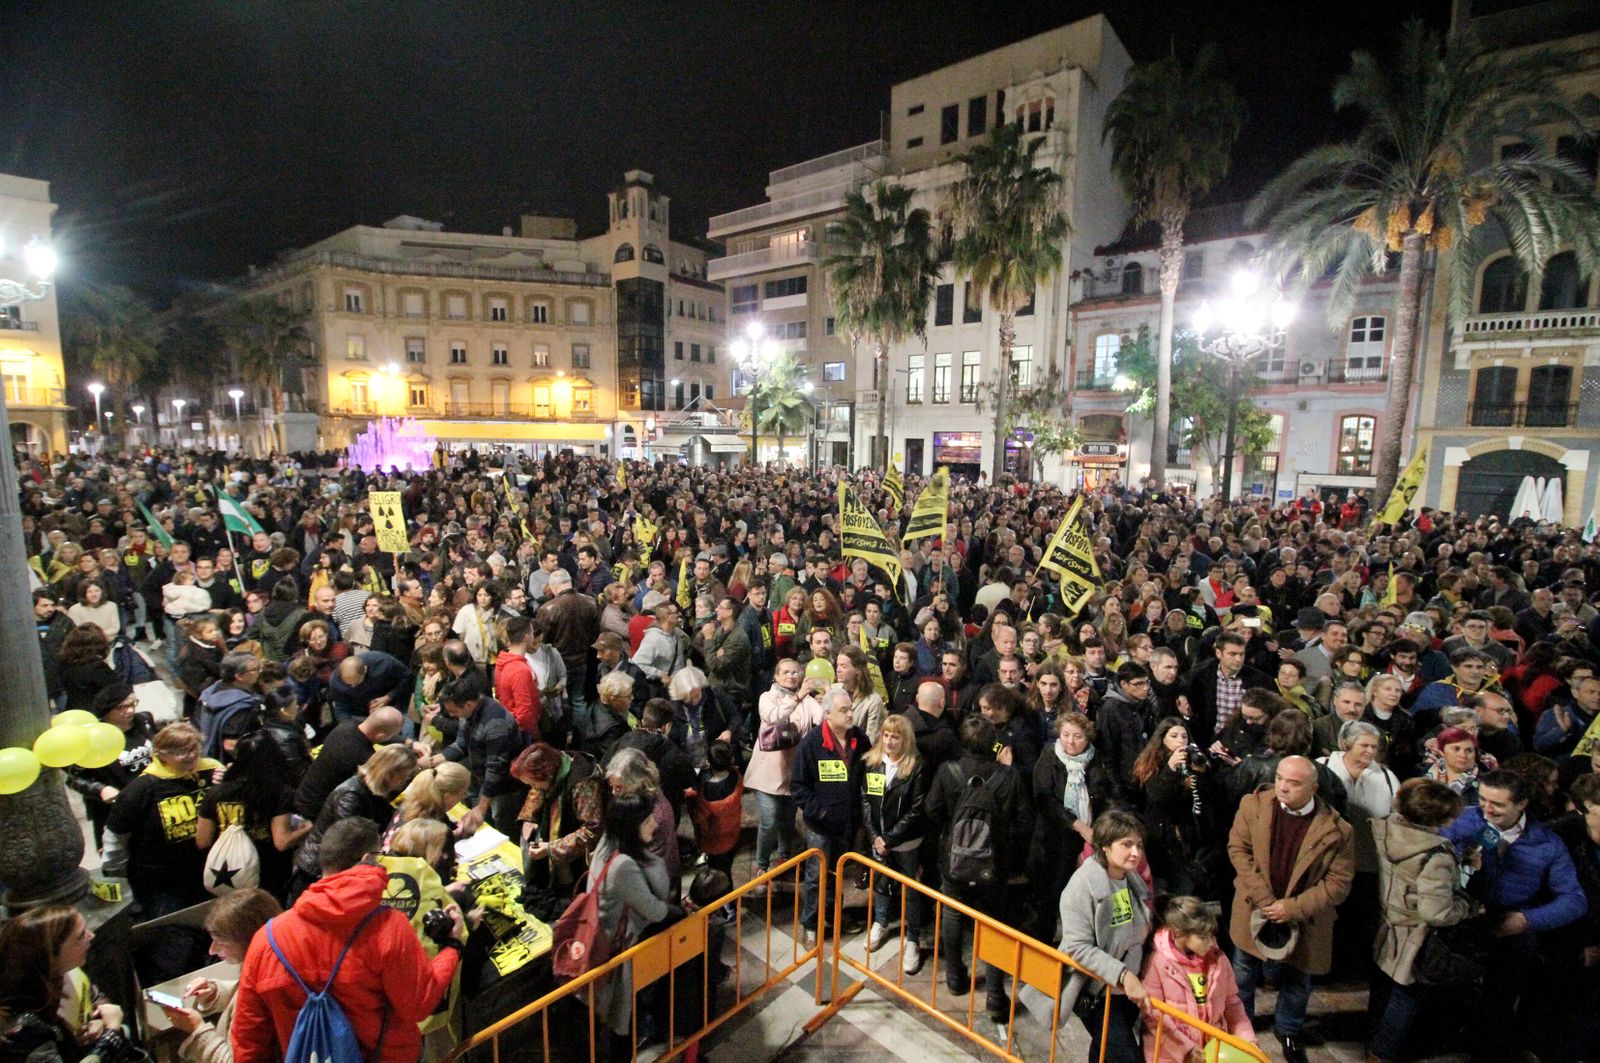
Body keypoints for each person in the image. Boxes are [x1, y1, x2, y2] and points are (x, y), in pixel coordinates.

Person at [232, 818, 463, 1063]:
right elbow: (418, 1004)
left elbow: (249, 1037)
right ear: (366, 859)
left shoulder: (267, 941)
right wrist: (452, 948)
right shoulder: (389, 927)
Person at [1443, 768, 1587, 1062]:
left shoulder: (1548, 844)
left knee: (1501, 995)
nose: (1486, 808)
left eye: (1497, 804)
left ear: (1521, 804)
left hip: (1512, 924)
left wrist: (1526, 920)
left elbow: (1574, 900)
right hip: (1459, 915)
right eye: (1483, 799)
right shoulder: (1464, 820)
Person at [1226, 755, 1356, 1063]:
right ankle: (1241, 1025)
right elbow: (1238, 849)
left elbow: (1338, 883)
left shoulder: (1338, 830)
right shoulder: (1253, 805)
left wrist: (1292, 908)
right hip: (1254, 907)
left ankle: (1288, 1029)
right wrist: (1265, 899)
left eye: (1293, 783)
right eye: (1280, 778)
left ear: (1313, 787)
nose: (1283, 787)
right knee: (1243, 971)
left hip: (1305, 918)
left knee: (1298, 980)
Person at [925, 715, 1033, 1031]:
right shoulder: (1007, 777)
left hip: (953, 862)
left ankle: (956, 978)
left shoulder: (948, 772)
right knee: (994, 924)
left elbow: (932, 811)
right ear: (992, 744)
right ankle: (997, 996)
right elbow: (1025, 822)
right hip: (995, 865)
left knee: (954, 914)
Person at [1367, 778, 1477, 1063]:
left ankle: (1372, 1045)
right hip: (1415, 939)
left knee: (1382, 989)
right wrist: (1468, 906)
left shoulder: (1386, 830)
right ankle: (1383, 1053)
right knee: (1407, 997)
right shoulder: (1436, 855)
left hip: (1386, 924)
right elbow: (1437, 913)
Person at [102, 722, 223, 978]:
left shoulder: (211, 772)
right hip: (161, 884)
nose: (191, 756)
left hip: (207, 875)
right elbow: (116, 835)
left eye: (195, 748)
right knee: (172, 946)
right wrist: (117, 875)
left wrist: (226, 783)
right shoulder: (142, 789)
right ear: (161, 754)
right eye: (182, 752)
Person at [586, 793, 681, 1062]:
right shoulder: (624, 865)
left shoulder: (607, 843)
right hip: (619, 952)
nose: (654, 824)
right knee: (623, 1022)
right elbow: (654, 909)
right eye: (648, 819)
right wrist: (677, 909)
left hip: (602, 941)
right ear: (632, 826)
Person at [1057, 809, 1152, 1063]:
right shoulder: (1081, 886)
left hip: (1124, 993)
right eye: (1127, 845)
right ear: (1105, 847)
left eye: (1139, 845)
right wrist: (1123, 974)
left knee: (1105, 1051)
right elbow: (1077, 946)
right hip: (1095, 991)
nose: (1136, 853)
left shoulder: (1130, 880)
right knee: (1126, 1056)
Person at [155, 888, 285, 1063]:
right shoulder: (277, 964)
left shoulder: (261, 988)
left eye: (221, 942)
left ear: (247, 941)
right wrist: (215, 992)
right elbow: (243, 989)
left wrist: (197, 1030)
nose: (212, 950)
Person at [1031, 711, 1125, 943]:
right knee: (1051, 897)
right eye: (1065, 735)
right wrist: (1078, 825)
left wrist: (1102, 828)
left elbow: (1112, 794)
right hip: (1054, 839)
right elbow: (1044, 798)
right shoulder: (1048, 756)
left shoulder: (1098, 759)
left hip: (1092, 839)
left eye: (1077, 736)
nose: (1070, 741)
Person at [790, 686, 867, 944]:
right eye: (843, 711)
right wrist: (820, 812)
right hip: (820, 827)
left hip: (847, 824)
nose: (850, 715)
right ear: (828, 715)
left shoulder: (859, 739)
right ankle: (810, 923)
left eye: (850, 709)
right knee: (815, 877)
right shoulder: (810, 744)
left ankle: (835, 916)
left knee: (838, 874)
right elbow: (798, 788)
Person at [0, 905, 125, 1062]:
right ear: (50, 955)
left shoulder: (66, 973)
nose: (91, 936)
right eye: (80, 936)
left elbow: (94, 997)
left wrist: (99, 1021)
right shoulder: (23, 1031)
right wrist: (112, 1033)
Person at [1141, 895, 1257, 1063]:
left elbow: (1233, 1005)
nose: (1211, 942)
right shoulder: (1156, 963)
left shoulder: (1219, 961)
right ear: (1179, 933)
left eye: (1211, 935)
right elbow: (1153, 1015)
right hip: (1170, 1056)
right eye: (1203, 937)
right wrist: (1186, 1050)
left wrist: (1249, 1042)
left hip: (1212, 1051)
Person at [197, 731, 312, 900]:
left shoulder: (216, 793)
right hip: (269, 876)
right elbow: (282, 842)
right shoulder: (279, 793)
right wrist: (310, 827)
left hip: (228, 875)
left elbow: (202, 841)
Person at [292, 745, 419, 891]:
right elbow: (349, 842)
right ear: (389, 775)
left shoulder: (375, 792)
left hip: (338, 868)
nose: (405, 781)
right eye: (404, 777)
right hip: (318, 872)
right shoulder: (351, 795)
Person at [746, 659, 825, 892]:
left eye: (795, 672)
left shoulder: (808, 700)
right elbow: (774, 718)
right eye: (786, 672)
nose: (791, 676)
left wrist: (828, 695)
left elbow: (821, 721)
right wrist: (798, 696)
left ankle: (784, 861)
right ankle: (761, 865)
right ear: (777, 676)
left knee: (787, 823)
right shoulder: (767, 697)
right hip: (767, 772)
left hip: (793, 773)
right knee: (769, 821)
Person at [860, 712, 928, 974]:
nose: (889, 741)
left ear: (905, 739)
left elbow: (917, 808)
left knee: (911, 889)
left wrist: (890, 838)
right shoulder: (873, 762)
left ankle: (912, 938)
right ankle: (880, 922)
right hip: (879, 839)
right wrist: (874, 836)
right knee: (881, 884)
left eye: (895, 737)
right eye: (886, 735)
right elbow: (866, 799)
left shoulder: (916, 766)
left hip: (906, 841)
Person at [419, 667, 523, 836]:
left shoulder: (495, 723)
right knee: (482, 821)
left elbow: (495, 770)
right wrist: (432, 761)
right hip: (482, 778)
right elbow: (461, 743)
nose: (452, 716)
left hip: (504, 786)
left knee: (502, 824)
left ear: (468, 704)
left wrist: (481, 808)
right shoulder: (467, 713)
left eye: (454, 711)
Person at [66, 681, 156, 850]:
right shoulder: (93, 737)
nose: (129, 710)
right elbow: (74, 778)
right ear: (106, 711)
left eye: (132, 704)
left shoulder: (144, 721)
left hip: (152, 801)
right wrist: (100, 789)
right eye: (121, 707)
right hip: (117, 809)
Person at [292, 707, 404, 819]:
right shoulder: (364, 757)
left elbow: (375, 727)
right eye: (392, 735)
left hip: (305, 793)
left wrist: (407, 742)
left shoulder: (347, 725)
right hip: (317, 810)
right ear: (381, 736)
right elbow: (382, 791)